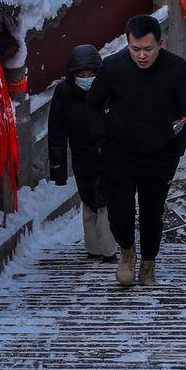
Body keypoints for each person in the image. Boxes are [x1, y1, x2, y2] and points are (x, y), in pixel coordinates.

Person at [87, 14, 186, 289]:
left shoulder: (176, 68)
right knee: (119, 211)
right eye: (135, 49)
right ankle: (127, 253)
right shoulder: (112, 67)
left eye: (148, 49)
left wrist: (176, 152)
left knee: (151, 212)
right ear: (127, 44)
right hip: (119, 154)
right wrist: (101, 139)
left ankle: (148, 263)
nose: (142, 55)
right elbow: (93, 104)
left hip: (159, 156)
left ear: (160, 43)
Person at [48, 44, 117, 262]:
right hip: (81, 156)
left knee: (106, 203)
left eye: (91, 73)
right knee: (89, 202)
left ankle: (109, 250)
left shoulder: (109, 88)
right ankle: (94, 248)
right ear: (72, 74)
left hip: (108, 154)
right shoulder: (63, 93)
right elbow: (56, 132)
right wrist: (57, 169)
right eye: (81, 74)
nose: (86, 78)